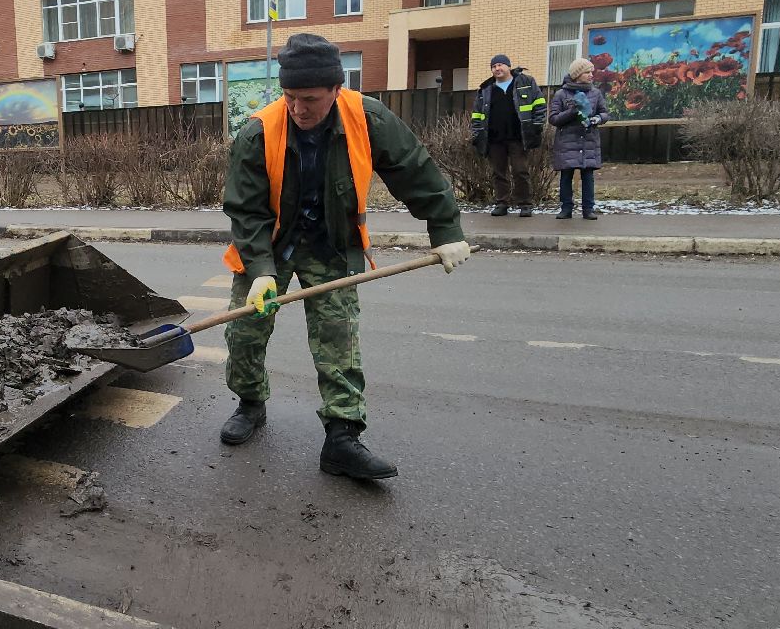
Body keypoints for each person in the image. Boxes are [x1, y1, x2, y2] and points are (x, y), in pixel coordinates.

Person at [221, 33, 470, 481]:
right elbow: (246, 209)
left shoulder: (367, 117)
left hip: (331, 243)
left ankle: (342, 437)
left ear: (337, 89)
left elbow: (414, 170)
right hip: (271, 245)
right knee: (245, 333)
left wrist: (445, 228)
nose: (298, 108)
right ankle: (250, 402)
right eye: (290, 96)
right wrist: (260, 270)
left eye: (310, 98)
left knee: (339, 340)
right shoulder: (259, 130)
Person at [470, 53, 546, 217]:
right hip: (494, 139)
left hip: (518, 137)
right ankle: (502, 203)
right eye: (494, 66)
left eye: (500, 65)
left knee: (520, 171)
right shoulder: (485, 89)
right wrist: (477, 134)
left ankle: (525, 204)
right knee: (499, 173)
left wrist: (536, 126)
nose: (497, 68)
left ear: (508, 66)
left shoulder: (526, 83)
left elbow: (539, 105)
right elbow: (476, 115)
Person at [550, 58, 607, 220]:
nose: (591, 75)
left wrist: (597, 119)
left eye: (591, 72)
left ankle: (588, 209)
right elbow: (554, 119)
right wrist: (573, 111)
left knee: (588, 176)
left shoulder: (596, 93)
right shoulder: (561, 94)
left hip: (588, 141)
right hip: (567, 142)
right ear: (577, 75)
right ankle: (566, 208)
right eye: (587, 72)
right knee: (566, 176)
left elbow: (604, 113)